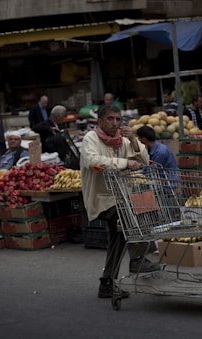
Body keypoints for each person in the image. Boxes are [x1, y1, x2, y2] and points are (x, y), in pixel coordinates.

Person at [80, 104, 158, 299]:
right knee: (129, 216)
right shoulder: (91, 139)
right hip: (101, 200)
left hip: (122, 198)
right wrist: (125, 163)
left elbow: (144, 158)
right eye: (110, 119)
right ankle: (138, 259)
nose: (115, 123)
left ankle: (107, 282)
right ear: (100, 121)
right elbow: (93, 161)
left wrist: (133, 140)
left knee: (120, 236)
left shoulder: (122, 141)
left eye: (118, 119)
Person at [33, 105, 80, 169]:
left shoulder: (60, 125)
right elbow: (35, 128)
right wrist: (49, 129)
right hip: (50, 156)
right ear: (57, 117)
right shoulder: (46, 124)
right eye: (63, 117)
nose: (64, 119)